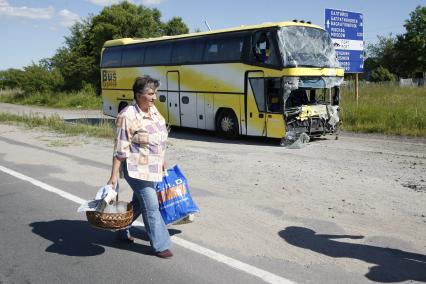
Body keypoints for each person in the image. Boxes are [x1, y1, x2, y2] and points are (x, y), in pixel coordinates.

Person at [107, 76, 173, 259]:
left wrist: (161, 160)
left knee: (139, 203)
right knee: (151, 205)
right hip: (135, 168)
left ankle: (121, 227)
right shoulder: (127, 116)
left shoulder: (153, 111)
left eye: (155, 93)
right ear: (138, 95)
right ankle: (160, 245)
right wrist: (113, 176)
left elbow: (158, 138)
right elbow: (120, 148)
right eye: (151, 94)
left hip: (152, 167)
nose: (154, 97)